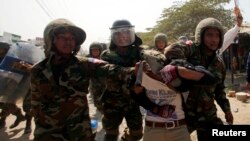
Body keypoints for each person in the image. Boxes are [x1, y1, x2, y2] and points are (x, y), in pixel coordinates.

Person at [30, 18, 136, 141]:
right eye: (62, 37)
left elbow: (111, 69)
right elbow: (35, 104)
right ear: (51, 39)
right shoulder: (37, 70)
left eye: (72, 38)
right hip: (48, 133)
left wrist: (135, 70)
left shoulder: (84, 64)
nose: (68, 41)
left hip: (79, 132)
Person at [164, 15, 243, 141]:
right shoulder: (192, 50)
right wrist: (189, 69)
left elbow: (219, 90)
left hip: (208, 114)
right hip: (184, 114)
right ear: (201, 36)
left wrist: (227, 110)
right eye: (209, 35)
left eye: (217, 35)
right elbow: (171, 51)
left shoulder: (219, 64)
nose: (214, 39)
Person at [130, 50, 217, 141]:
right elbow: (136, 96)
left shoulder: (175, 73)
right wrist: (156, 109)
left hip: (179, 128)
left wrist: (179, 71)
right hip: (153, 128)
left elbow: (211, 79)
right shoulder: (140, 75)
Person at [100, 19, 143, 141]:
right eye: (118, 33)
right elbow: (105, 72)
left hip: (133, 101)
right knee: (111, 135)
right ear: (113, 36)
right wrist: (131, 71)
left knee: (137, 134)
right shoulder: (106, 55)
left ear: (131, 34)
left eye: (125, 32)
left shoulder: (139, 53)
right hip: (112, 102)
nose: (122, 36)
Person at [0, 42, 25, 130]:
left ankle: (2, 120)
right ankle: (20, 115)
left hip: (11, 83)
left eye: (1, 48)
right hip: (2, 82)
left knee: (6, 102)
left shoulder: (12, 57)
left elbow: (16, 73)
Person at [87, 42, 105, 112]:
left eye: (96, 50)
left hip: (105, 84)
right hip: (94, 85)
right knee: (98, 103)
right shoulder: (88, 60)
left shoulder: (105, 58)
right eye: (93, 50)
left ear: (100, 50)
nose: (95, 52)